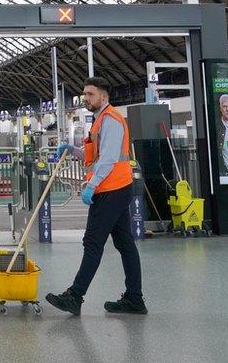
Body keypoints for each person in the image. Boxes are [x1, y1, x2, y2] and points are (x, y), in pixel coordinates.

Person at [46, 77, 145, 316]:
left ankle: (75, 296)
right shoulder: (99, 120)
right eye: (85, 94)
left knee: (93, 242)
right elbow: (96, 157)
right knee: (125, 243)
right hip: (116, 188)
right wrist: (73, 150)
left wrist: (93, 185)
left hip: (110, 190)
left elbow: (110, 158)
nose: (85, 98)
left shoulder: (111, 119)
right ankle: (134, 299)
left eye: (90, 94)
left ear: (104, 96)